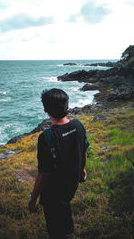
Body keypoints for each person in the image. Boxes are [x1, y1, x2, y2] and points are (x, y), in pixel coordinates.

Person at [28, 88, 89, 239]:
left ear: (46, 110)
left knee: (55, 227)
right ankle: (68, 232)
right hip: (72, 183)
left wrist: (33, 197)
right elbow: (84, 152)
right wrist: (82, 169)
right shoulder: (79, 126)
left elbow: (44, 173)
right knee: (65, 205)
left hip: (53, 192)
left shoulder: (47, 137)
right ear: (67, 105)